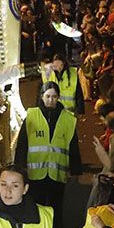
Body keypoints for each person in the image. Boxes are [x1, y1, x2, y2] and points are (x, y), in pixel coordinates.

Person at [14, 81, 81, 218]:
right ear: (42, 97)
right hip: (35, 174)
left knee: (55, 209)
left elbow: (73, 146)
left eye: (54, 97)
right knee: (36, 207)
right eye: (48, 96)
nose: (51, 100)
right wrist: (20, 167)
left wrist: (75, 170)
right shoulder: (32, 116)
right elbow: (22, 143)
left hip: (57, 174)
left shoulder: (68, 119)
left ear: (58, 97)